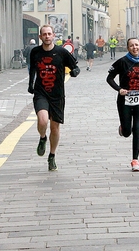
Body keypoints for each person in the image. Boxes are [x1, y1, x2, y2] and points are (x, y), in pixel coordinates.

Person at [27, 25, 80, 171]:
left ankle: (52, 155)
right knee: (43, 120)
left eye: (49, 34)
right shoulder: (35, 52)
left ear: (53, 35)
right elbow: (32, 69)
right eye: (44, 34)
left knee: (55, 127)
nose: (47, 36)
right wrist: (30, 83)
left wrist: (75, 72)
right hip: (41, 92)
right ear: (40, 37)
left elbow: (75, 66)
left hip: (57, 94)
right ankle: (43, 137)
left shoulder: (61, 52)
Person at [106, 38, 139, 172]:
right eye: (132, 46)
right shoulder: (122, 62)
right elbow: (109, 78)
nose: (135, 48)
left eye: (137, 45)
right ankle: (123, 128)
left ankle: (135, 160)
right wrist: (119, 89)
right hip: (124, 100)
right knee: (128, 132)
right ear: (128, 48)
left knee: (137, 128)